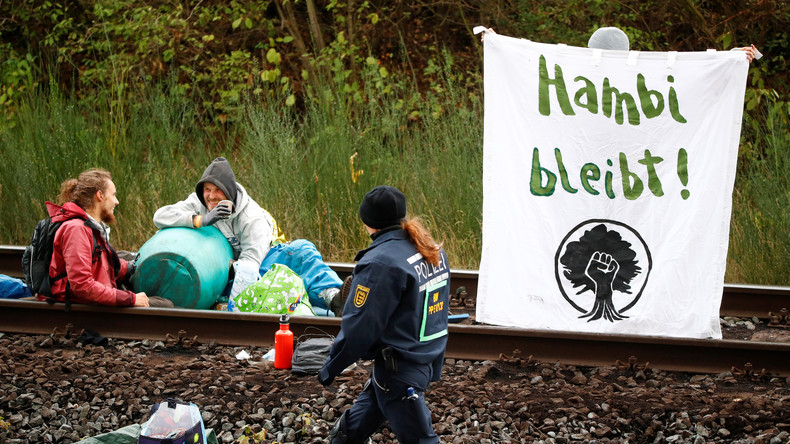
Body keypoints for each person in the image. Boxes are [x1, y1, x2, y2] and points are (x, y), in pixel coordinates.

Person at [318, 185, 451, 443]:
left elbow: (359, 329)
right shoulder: (431, 248)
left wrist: (330, 367)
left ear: (368, 223)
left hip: (400, 372)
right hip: (422, 358)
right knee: (352, 430)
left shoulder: (379, 263)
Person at [153, 157, 347, 314]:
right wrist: (200, 220)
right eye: (207, 190)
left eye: (218, 190)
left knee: (301, 252)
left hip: (257, 263)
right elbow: (160, 216)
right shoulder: (199, 202)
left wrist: (230, 277)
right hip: (218, 267)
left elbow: (249, 266)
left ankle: (336, 298)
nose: (211, 197)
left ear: (228, 191)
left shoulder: (251, 217)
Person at [41, 169, 151, 307]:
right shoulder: (76, 229)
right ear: (100, 195)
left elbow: (103, 266)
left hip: (97, 298)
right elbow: (82, 285)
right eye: (113, 195)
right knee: (165, 305)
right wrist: (130, 299)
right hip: (84, 306)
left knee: (159, 299)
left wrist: (134, 267)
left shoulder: (90, 227)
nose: (116, 202)